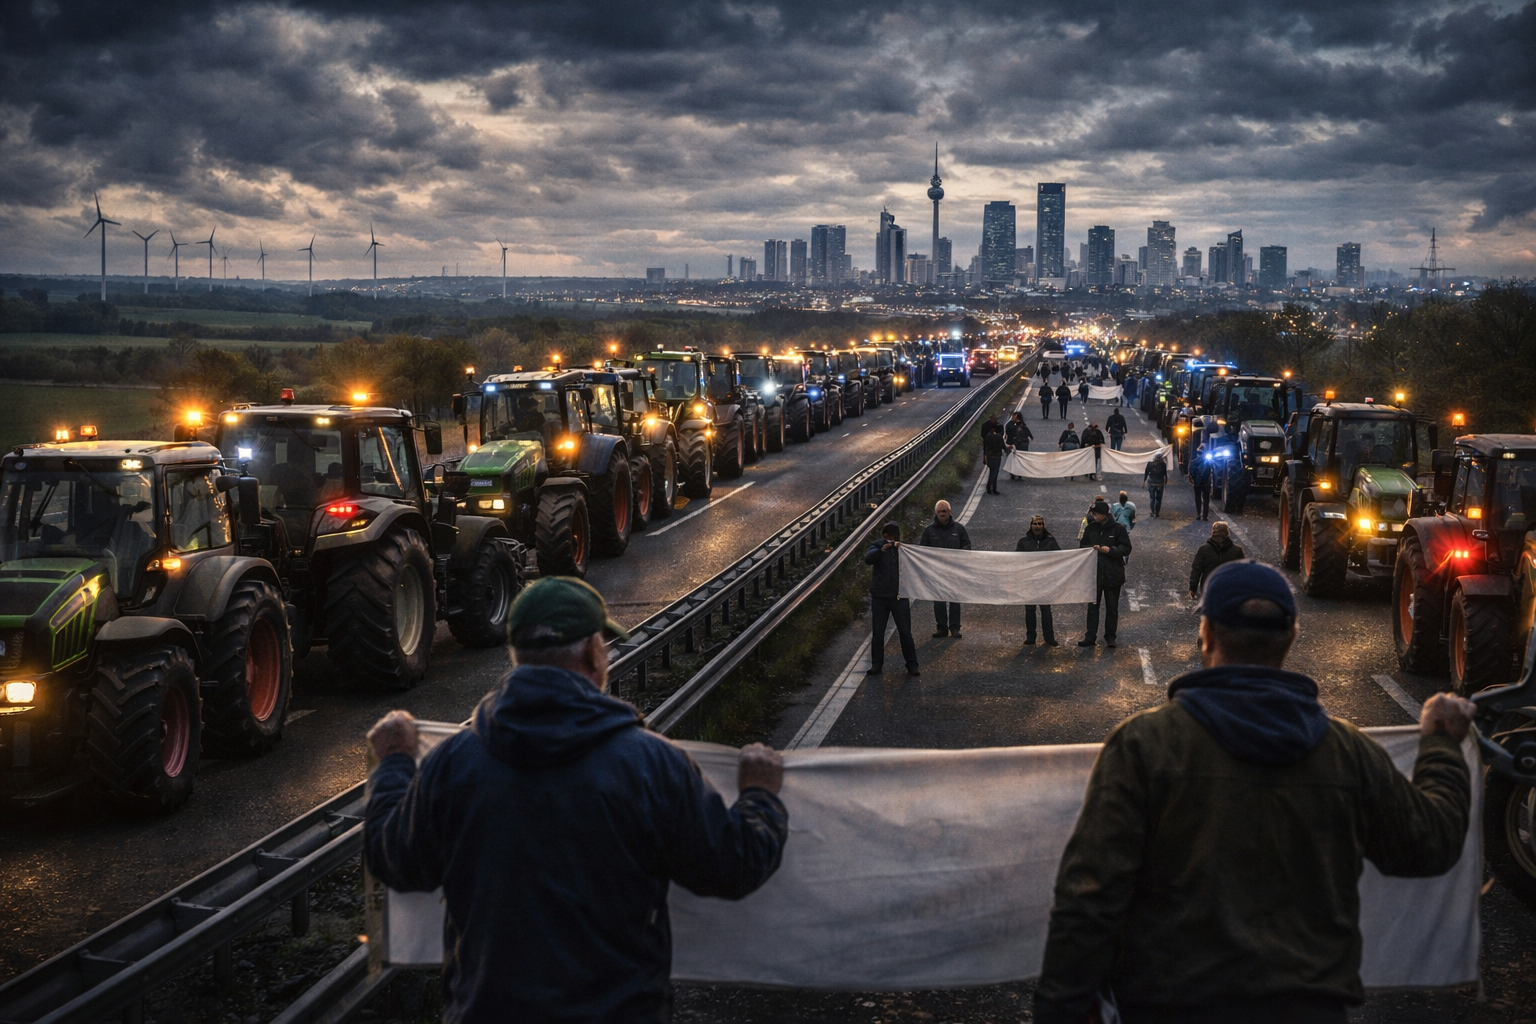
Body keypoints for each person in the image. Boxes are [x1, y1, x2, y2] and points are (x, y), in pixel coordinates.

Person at [1034, 560, 1473, 1024]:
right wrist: (1442, 743)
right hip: (1310, 1009)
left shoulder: (1143, 745)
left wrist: (1060, 1008)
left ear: (1206, 633)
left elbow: (1089, 898)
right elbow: (1430, 843)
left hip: (1171, 1005)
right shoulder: (1349, 753)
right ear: (1292, 638)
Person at [364, 576, 788, 1022]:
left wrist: (394, 764)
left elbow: (394, 859)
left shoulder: (452, 765)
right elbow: (732, 866)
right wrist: (759, 795)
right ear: (592, 652)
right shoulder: (651, 764)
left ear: (517, 655)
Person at [864, 522, 919, 675]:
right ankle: (877, 664)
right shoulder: (877, 546)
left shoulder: (902, 548)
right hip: (881, 596)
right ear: (886, 536)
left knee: (905, 633)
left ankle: (912, 664)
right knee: (878, 634)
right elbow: (868, 559)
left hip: (899, 596)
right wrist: (881, 551)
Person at [1079, 498, 1131, 648]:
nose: (1094, 517)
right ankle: (1090, 636)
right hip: (1094, 575)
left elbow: (1126, 548)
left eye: (1096, 514)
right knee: (1093, 607)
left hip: (1113, 575)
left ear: (1104, 514)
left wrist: (1111, 551)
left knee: (1112, 608)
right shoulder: (1091, 528)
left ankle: (1110, 636)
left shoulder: (1118, 529)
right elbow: (1083, 546)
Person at [920, 499, 971, 638]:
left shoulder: (959, 529)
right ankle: (941, 628)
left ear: (949, 512)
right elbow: (922, 550)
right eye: (939, 511)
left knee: (954, 599)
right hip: (937, 573)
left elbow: (967, 545)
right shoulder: (929, 531)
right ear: (936, 513)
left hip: (954, 572)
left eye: (944, 511)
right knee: (939, 601)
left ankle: (955, 628)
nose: (942, 513)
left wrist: (959, 557)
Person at [1015, 515, 1060, 646]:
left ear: (1043, 526)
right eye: (1035, 523)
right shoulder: (1023, 542)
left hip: (1045, 582)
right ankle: (1030, 636)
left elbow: (1060, 557)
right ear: (1031, 525)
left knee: (1046, 610)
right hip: (1029, 581)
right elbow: (1016, 559)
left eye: (1040, 524)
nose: (1037, 526)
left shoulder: (1051, 541)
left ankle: (1049, 637)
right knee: (1030, 610)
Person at [1189, 520, 1244, 598]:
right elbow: (1242, 573)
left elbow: (1196, 569)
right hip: (1229, 588)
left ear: (1213, 532)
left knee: (1209, 608)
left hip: (1208, 586)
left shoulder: (1204, 549)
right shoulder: (1237, 551)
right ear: (1227, 532)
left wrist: (1193, 588)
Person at [982, 415, 1006, 495]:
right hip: (997, 456)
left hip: (989, 456)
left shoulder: (987, 437)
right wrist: (1009, 451)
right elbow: (1003, 446)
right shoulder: (999, 437)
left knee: (992, 471)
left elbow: (985, 448)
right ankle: (991, 487)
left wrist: (985, 457)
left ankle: (991, 488)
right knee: (995, 472)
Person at [1191, 441, 1215, 521]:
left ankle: (1199, 514)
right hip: (1206, 483)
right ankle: (1205, 516)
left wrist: (1194, 480)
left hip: (1197, 483)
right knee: (1206, 500)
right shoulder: (1209, 462)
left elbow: (1191, 472)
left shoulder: (1194, 462)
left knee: (1198, 499)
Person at [1006, 412, 1033, 479]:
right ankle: (1013, 472)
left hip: (1020, 445)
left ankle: (1019, 473)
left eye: (1014, 417)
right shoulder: (1010, 425)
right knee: (1013, 458)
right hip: (1012, 444)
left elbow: (1028, 434)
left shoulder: (1022, 426)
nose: (1013, 418)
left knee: (1019, 459)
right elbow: (1008, 432)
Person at [1144, 452, 1168, 518]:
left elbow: (1146, 472)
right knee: (1159, 498)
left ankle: (1152, 511)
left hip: (1151, 482)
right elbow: (1165, 474)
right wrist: (1165, 481)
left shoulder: (1150, 464)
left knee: (1152, 498)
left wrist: (1144, 481)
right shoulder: (1163, 464)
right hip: (1160, 482)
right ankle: (1157, 512)